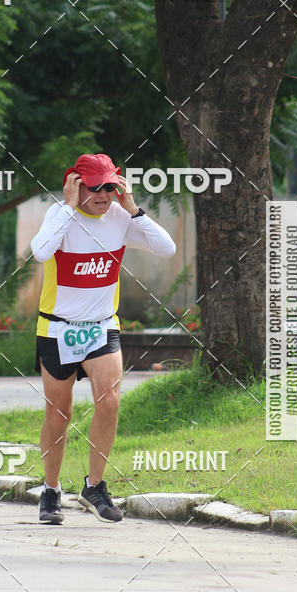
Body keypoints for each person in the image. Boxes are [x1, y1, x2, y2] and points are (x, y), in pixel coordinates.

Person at [31, 153, 176, 524]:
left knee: (109, 402)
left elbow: (167, 248)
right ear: (76, 186)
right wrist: (66, 207)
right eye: (94, 187)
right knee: (59, 414)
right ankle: (50, 490)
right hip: (57, 328)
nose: (103, 194)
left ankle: (94, 486)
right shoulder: (59, 215)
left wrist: (134, 209)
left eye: (110, 186)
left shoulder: (119, 217)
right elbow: (41, 251)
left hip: (101, 326)